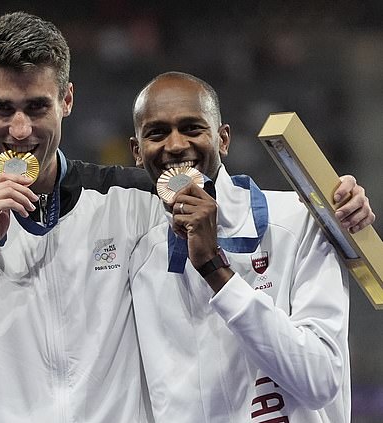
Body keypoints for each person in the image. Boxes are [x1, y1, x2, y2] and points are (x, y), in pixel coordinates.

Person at [0, 12, 374, 423]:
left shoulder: (131, 197)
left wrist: (338, 203)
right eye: (3, 108)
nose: (20, 130)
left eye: (37, 106)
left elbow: (215, 196)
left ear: (67, 100)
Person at [127, 71, 368, 422]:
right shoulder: (137, 255)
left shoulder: (297, 222)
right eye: (157, 133)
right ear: (137, 151)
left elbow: (321, 381)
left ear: (223, 139)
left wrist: (214, 268)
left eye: (193, 128)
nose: (176, 145)